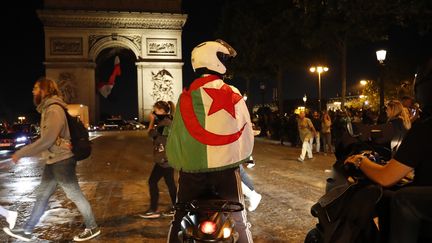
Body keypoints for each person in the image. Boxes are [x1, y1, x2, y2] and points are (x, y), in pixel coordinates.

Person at [166, 39, 254, 243]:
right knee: (240, 220)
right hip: (225, 173)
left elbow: (175, 136)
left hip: (191, 174)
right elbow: (245, 130)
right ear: (216, 61)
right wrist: (244, 155)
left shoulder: (184, 97)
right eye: (224, 58)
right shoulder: (232, 93)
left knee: (178, 219)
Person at [344, 57, 432, 243]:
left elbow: (386, 177)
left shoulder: (425, 127)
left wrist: (360, 160)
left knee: (402, 199)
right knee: (386, 198)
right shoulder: (411, 125)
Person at [2, 78, 99, 242]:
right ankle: (27, 230)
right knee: (42, 196)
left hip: (62, 160)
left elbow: (47, 140)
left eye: (36, 88)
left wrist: (21, 153)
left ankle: (92, 227)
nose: (33, 91)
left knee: (75, 195)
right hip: (53, 160)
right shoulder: (48, 109)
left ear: (44, 90)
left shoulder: (54, 110)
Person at [138, 101, 177, 219]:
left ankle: (153, 209)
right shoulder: (167, 121)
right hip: (166, 158)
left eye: (156, 110)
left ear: (163, 111)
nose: (154, 112)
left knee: (153, 182)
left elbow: (150, 134)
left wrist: (151, 120)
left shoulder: (165, 124)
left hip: (164, 160)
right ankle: (176, 207)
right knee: (170, 183)